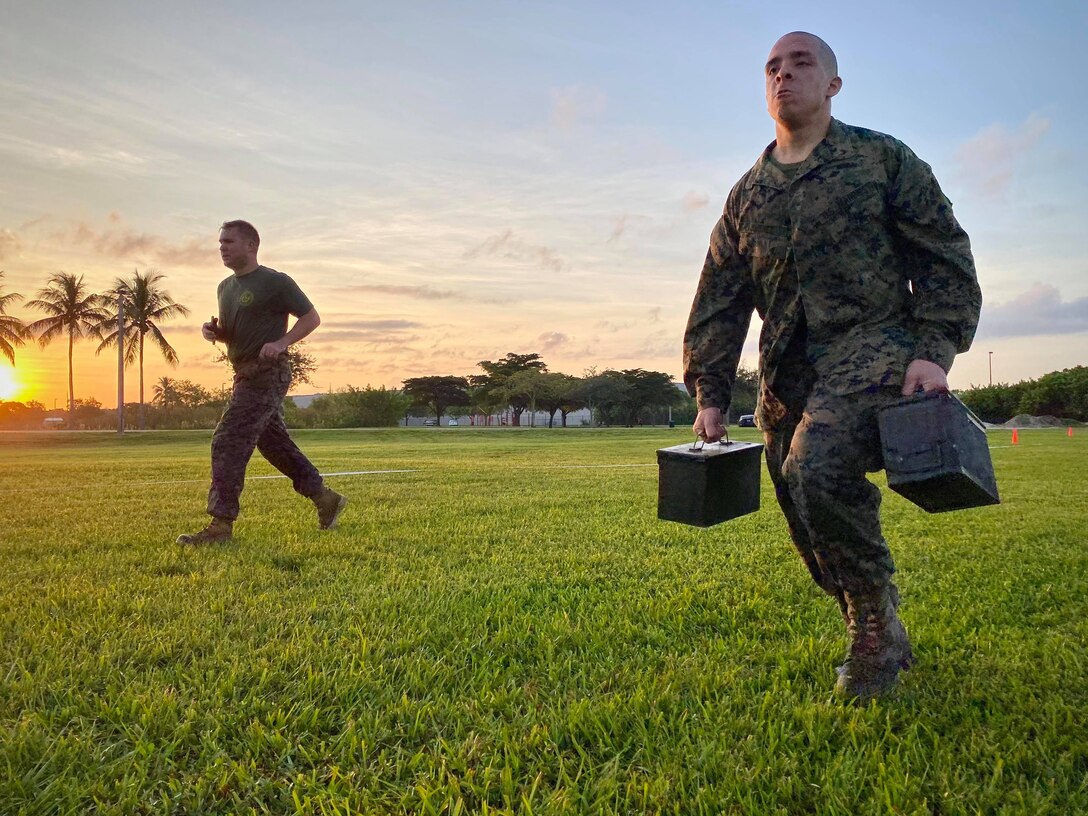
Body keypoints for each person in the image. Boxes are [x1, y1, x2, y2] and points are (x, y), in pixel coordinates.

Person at [683, 32, 981, 700]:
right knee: (803, 512)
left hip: (875, 350)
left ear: (833, 85)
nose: (783, 75)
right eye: (772, 68)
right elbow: (720, 301)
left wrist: (935, 351)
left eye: (801, 63)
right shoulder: (748, 196)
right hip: (786, 375)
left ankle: (873, 637)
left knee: (812, 468)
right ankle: (872, 616)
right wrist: (709, 392)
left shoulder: (881, 160)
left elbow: (942, 255)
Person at [177, 220, 347, 544]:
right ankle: (326, 499)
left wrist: (282, 343)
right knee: (274, 445)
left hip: (268, 373)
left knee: (227, 439)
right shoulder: (224, 287)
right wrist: (214, 333)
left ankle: (220, 526)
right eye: (220, 243)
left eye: (229, 241)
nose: (222, 248)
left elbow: (312, 318)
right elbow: (232, 330)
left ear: (251, 245)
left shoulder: (275, 282)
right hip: (242, 374)